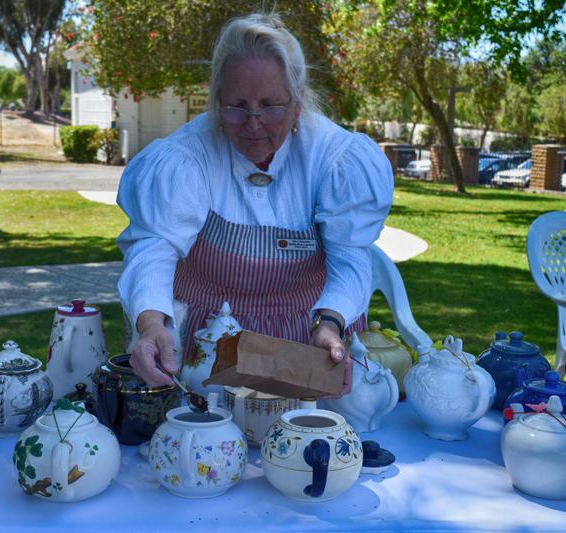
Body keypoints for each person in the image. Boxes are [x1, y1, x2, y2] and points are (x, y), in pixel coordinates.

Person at [117, 13, 393, 395]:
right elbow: (154, 248)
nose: (253, 123)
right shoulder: (186, 158)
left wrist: (330, 323)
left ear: (297, 104)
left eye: (271, 106)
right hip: (204, 347)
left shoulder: (333, 159)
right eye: (235, 106)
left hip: (307, 344)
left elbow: (352, 258)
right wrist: (149, 325)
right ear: (216, 100)